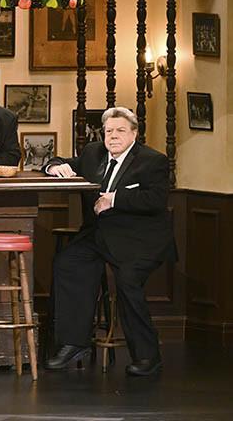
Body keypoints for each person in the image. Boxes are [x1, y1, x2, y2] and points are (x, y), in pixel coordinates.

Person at [43, 107, 176, 376]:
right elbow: (62, 161)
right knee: (68, 263)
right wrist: (56, 166)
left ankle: (147, 357)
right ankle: (73, 344)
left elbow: (156, 200)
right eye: (108, 131)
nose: (113, 136)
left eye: (120, 131)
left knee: (127, 280)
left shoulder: (153, 161)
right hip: (99, 235)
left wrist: (114, 199)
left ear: (135, 134)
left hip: (139, 239)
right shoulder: (93, 153)